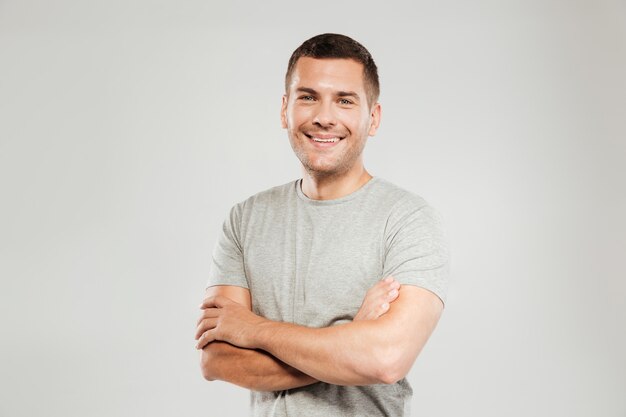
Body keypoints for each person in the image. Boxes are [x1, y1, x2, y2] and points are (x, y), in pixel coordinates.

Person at [195, 33, 449, 416]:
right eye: (308, 97)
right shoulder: (245, 218)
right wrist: (348, 341)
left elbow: (385, 360)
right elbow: (217, 361)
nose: (324, 117)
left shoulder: (407, 219)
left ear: (373, 117)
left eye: (344, 101)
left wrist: (253, 329)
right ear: (285, 110)